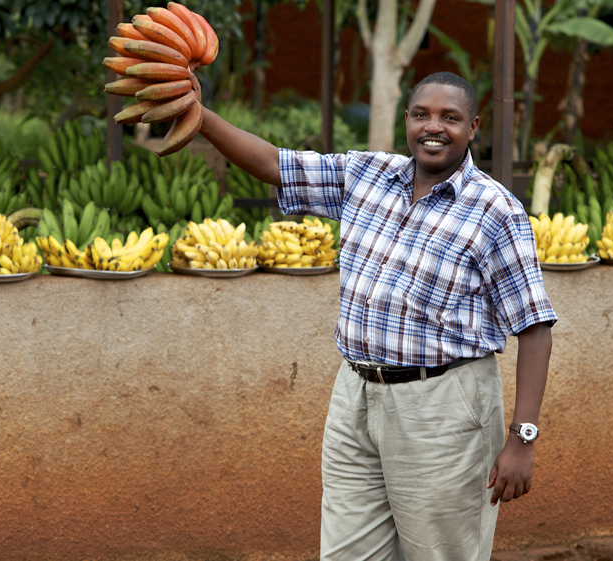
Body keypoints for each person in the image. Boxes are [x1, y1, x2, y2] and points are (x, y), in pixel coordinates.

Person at [196, 71, 557, 561]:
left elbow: (534, 327)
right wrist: (200, 118)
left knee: (439, 553)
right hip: (356, 396)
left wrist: (523, 438)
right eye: (422, 114)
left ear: (473, 127)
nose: (434, 127)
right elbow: (276, 164)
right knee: (348, 552)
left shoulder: (496, 211)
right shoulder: (367, 176)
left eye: (450, 118)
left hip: (443, 407)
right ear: (407, 121)